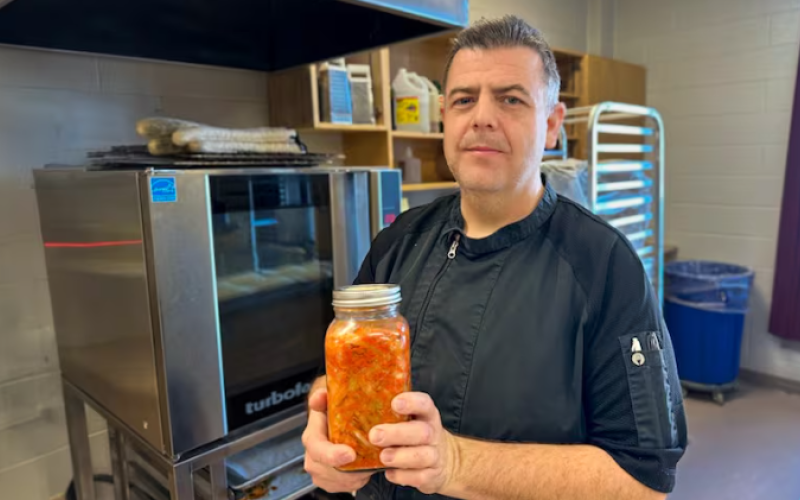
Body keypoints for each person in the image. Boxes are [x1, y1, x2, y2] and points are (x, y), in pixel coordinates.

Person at [302, 15, 686, 500]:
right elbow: (346, 372)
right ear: (445, 117)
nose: (481, 116)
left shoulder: (606, 265)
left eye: (510, 99)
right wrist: (326, 427)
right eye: (464, 100)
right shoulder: (397, 242)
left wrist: (456, 462)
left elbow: (643, 481)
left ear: (551, 125)